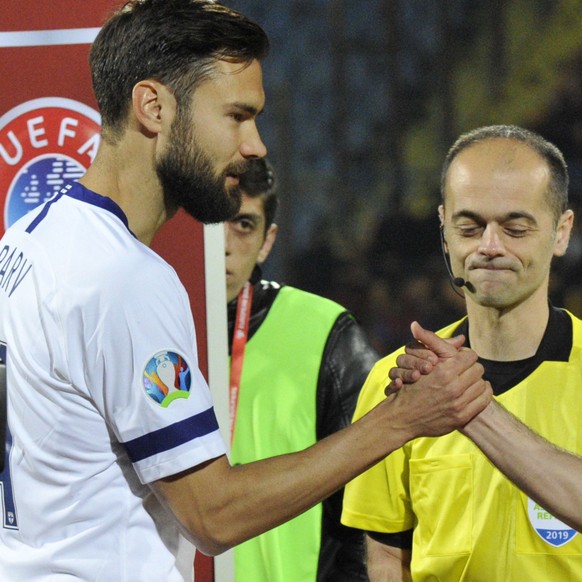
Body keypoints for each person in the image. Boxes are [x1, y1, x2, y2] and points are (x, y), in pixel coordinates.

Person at [0, 2, 491, 580]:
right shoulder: (122, 278)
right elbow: (214, 515)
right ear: (153, 107)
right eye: (236, 116)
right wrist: (401, 419)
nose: (255, 144)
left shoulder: (28, 240)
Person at [341, 124, 582, 581]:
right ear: (445, 232)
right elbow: (388, 556)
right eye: (469, 226)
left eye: (515, 227)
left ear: (561, 232)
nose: (490, 247)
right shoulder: (395, 382)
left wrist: (466, 405)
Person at [225, 158, 376, 581]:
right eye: (210, 220)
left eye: (243, 225)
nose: (222, 243)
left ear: (267, 241)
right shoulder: (142, 328)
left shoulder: (326, 335)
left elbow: (367, 515)